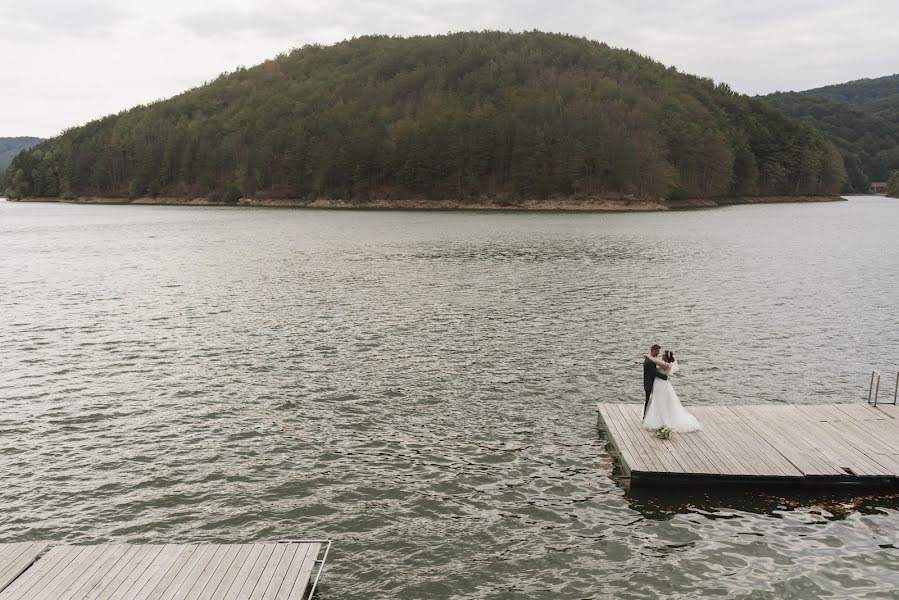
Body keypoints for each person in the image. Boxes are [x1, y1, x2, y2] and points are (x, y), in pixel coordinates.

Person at [642, 350, 702, 432]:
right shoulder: (663, 362)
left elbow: (655, 361)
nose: (661, 355)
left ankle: (661, 420)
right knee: (657, 401)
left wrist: (649, 356)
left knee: (661, 401)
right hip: (658, 384)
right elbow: (656, 362)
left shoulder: (666, 365)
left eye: (663, 355)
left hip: (662, 385)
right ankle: (658, 417)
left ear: (666, 357)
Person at [642, 344, 666, 418]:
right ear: (654, 351)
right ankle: (645, 417)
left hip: (651, 383)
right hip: (649, 384)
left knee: (650, 401)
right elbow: (654, 372)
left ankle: (649, 416)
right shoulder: (649, 362)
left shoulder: (650, 359)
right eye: (658, 351)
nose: (659, 353)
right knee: (648, 401)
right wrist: (665, 377)